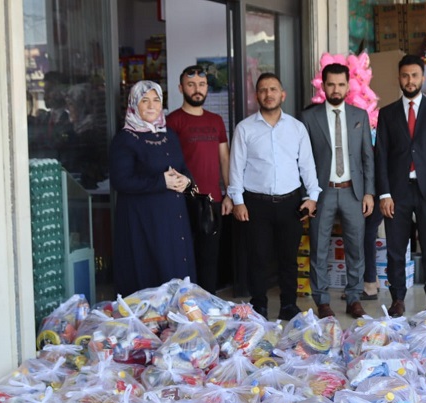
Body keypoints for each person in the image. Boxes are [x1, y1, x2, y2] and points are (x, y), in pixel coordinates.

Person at [228, 73, 321, 321]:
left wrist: (312, 196)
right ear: (256, 95)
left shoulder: (296, 128)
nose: (268, 94)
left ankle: (288, 306)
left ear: (283, 94)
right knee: (257, 258)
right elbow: (236, 167)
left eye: (273, 89)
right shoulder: (245, 128)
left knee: (288, 259)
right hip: (255, 203)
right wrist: (237, 200)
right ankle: (259, 306)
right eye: (262, 90)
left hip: (290, 203)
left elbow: (307, 165)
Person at [375, 55, 426, 317]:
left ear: (422, 78)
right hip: (397, 193)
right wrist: (384, 193)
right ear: (399, 78)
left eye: (414, 75)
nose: (409, 80)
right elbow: (381, 155)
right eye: (404, 76)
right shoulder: (387, 113)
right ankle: (397, 298)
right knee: (396, 250)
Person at [300, 63, 375, 319]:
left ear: (347, 86)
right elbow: (304, 159)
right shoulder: (309, 117)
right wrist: (308, 196)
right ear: (323, 85)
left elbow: (368, 157)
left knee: (356, 247)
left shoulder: (359, 116)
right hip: (322, 192)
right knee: (319, 248)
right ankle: (321, 301)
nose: (336, 89)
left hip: (354, 192)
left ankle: (354, 297)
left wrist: (369, 192)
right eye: (331, 84)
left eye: (341, 84)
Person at [109, 80, 196, 297]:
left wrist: (186, 181)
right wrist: (161, 182)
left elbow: (183, 168)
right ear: (133, 105)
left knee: (176, 268)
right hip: (143, 220)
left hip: (173, 218)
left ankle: (178, 319)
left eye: (156, 100)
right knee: (151, 271)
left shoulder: (169, 136)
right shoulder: (125, 139)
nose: (151, 106)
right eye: (144, 100)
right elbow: (121, 181)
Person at [166, 65, 233, 294]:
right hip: (181, 200)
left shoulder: (216, 120)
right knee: (182, 256)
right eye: (191, 84)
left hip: (212, 199)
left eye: (201, 85)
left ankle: (207, 303)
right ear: (180, 88)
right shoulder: (172, 121)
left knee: (209, 258)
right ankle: (183, 303)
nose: (197, 89)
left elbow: (225, 159)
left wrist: (229, 195)